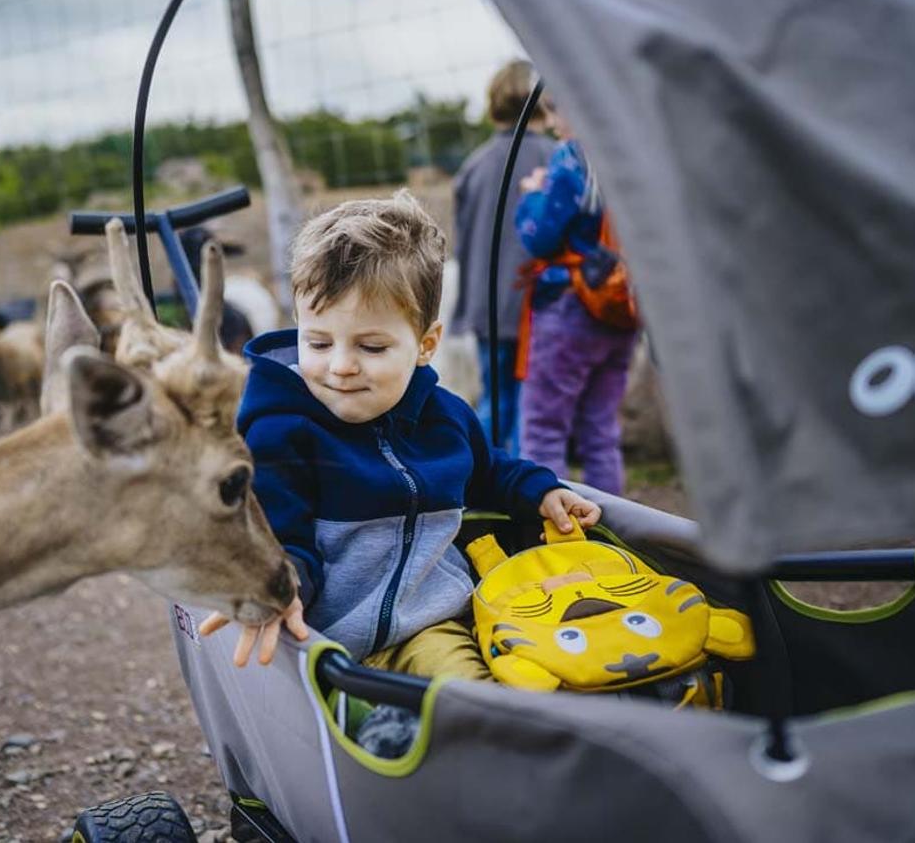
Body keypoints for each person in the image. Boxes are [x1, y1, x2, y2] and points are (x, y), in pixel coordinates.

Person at [199, 192, 601, 683]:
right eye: (318, 342)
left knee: (479, 694)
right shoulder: (281, 432)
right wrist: (279, 588)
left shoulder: (445, 417)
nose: (341, 366)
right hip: (323, 640)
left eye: (371, 346)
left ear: (425, 345)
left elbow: (490, 470)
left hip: (433, 625)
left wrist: (541, 490)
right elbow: (281, 537)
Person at [514, 103, 637, 492]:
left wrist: (533, 195)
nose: (550, 123)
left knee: (544, 430)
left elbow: (540, 236)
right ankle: (614, 528)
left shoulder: (571, 157)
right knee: (600, 431)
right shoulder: (632, 154)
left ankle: (550, 532)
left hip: (570, 304)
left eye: (556, 110)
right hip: (620, 306)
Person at [450, 60, 557, 452]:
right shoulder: (557, 158)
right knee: (536, 407)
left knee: (494, 403)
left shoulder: (473, 165)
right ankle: (527, 495)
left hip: (488, 307)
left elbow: (461, 243)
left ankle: (481, 488)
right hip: (542, 305)